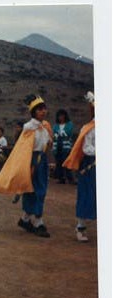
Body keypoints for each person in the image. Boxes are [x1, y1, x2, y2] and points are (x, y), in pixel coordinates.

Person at [0, 94, 53, 238]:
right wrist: (27, 165)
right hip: (32, 161)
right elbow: (25, 148)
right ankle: (38, 221)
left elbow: (46, 144)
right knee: (35, 191)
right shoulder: (29, 128)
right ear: (33, 112)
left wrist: (49, 144)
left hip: (41, 160)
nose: (43, 111)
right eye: (39, 110)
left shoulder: (44, 127)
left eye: (44, 109)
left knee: (38, 190)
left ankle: (25, 219)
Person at [63, 92, 96, 242]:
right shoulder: (88, 128)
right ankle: (80, 226)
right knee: (87, 195)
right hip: (90, 166)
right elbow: (86, 148)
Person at [52, 109, 75, 184]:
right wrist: (60, 134)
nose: (60, 117)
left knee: (67, 162)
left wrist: (59, 134)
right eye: (59, 116)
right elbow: (54, 134)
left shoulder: (69, 124)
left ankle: (70, 178)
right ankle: (61, 178)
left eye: (62, 115)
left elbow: (68, 133)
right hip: (57, 146)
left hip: (66, 146)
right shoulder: (55, 125)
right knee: (59, 163)